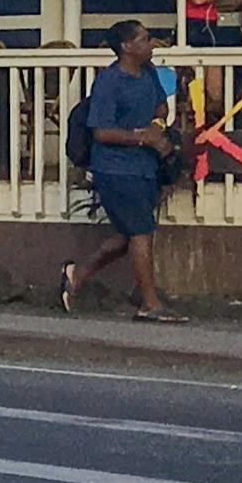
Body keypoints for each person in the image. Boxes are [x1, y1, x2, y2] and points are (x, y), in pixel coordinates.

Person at [64, 18, 188, 321]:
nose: (151, 43)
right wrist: (140, 136)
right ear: (126, 47)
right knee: (142, 232)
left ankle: (76, 276)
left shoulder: (148, 73)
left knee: (126, 236)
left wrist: (157, 127)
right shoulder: (109, 81)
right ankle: (149, 303)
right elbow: (101, 132)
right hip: (116, 169)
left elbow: (162, 109)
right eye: (144, 39)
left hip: (145, 166)